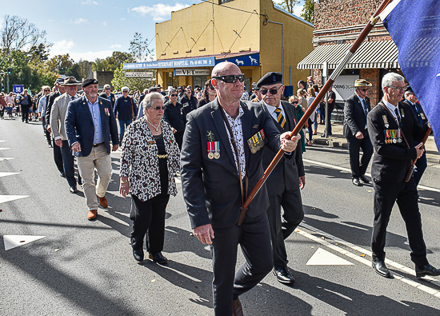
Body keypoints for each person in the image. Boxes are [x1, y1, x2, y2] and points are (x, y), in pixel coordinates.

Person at [182, 63, 299, 316]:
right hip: (222, 213)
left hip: (255, 207)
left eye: (241, 78)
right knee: (221, 277)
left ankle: (230, 293)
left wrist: (285, 142)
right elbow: (189, 172)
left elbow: (274, 138)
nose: (238, 82)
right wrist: (199, 219)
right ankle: (225, 299)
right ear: (215, 84)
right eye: (230, 78)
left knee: (263, 264)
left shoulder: (256, 112)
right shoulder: (199, 119)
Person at [367, 72, 440, 279]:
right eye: (399, 88)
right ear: (386, 90)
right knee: (381, 220)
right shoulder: (376, 115)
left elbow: (416, 132)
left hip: (406, 175)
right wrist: (411, 153)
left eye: (404, 88)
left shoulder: (405, 108)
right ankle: (378, 258)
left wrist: (430, 124)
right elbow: (382, 148)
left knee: (414, 219)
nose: (403, 92)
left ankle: (421, 263)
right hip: (386, 177)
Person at [119, 92, 181, 264]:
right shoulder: (134, 128)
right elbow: (125, 156)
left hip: (164, 179)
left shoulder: (166, 127)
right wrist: (124, 180)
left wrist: (186, 173)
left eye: (162, 108)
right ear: (146, 109)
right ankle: (137, 244)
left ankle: (155, 251)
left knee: (158, 218)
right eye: (157, 108)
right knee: (143, 217)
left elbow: (175, 154)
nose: (161, 111)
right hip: (142, 180)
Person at [259, 74, 305, 286]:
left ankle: (269, 244)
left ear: (282, 90)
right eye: (263, 91)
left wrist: (300, 171)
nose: (268, 95)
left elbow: (297, 143)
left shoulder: (288, 108)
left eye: (273, 90)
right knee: (274, 225)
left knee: (296, 216)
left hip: (290, 174)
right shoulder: (254, 113)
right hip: (268, 176)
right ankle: (279, 264)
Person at [66, 78, 120, 220]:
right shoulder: (75, 105)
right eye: (90, 87)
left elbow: (111, 123)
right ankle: (92, 207)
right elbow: (69, 124)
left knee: (106, 174)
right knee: (87, 180)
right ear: (83, 89)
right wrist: (73, 142)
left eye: (95, 87)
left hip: (102, 146)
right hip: (83, 148)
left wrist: (115, 141)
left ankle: (100, 193)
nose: (93, 90)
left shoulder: (106, 103)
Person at [50, 77, 82, 193]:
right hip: (65, 137)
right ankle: (72, 184)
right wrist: (56, 136)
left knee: (82, 160)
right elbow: (53, 120)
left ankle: (81, 179)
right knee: (68, 162)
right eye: (70, 86)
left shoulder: (82, 99)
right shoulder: (59, 101)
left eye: (75, 86)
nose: (73, 88)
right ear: (65, 88)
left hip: (80, 137)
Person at [344, 79, 374, 186]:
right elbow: (349, 117)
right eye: (363, 90)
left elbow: (368, 115)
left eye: (366, 90)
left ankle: (361, 172)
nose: (366, 92)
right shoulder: (350, 101)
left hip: (365, 131)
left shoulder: (366, 100)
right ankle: (355, 176)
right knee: (354, 154)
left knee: (369, 151)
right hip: (354, 133)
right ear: (357, 91)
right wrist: (356, 131)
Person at [403, 86, 428, 186]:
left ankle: (413, 186)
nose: (416, 96)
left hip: (420, 140)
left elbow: (423, 121)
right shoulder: (404, 107)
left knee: (422, 165)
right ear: (407, 95)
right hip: (410, 141)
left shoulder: (418, 107)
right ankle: (407, 187)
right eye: (414, 94)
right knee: (409, 166)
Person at [46, 78, 66, 177]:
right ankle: (61, 168)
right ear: (57, 86)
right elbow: (48, 111)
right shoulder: (52, 96)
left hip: (67, 126)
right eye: (61, 86)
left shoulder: (71, 95)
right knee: (58, 148)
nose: (64, 88)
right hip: (57, 125)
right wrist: (48, 124)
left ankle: (68, 166)